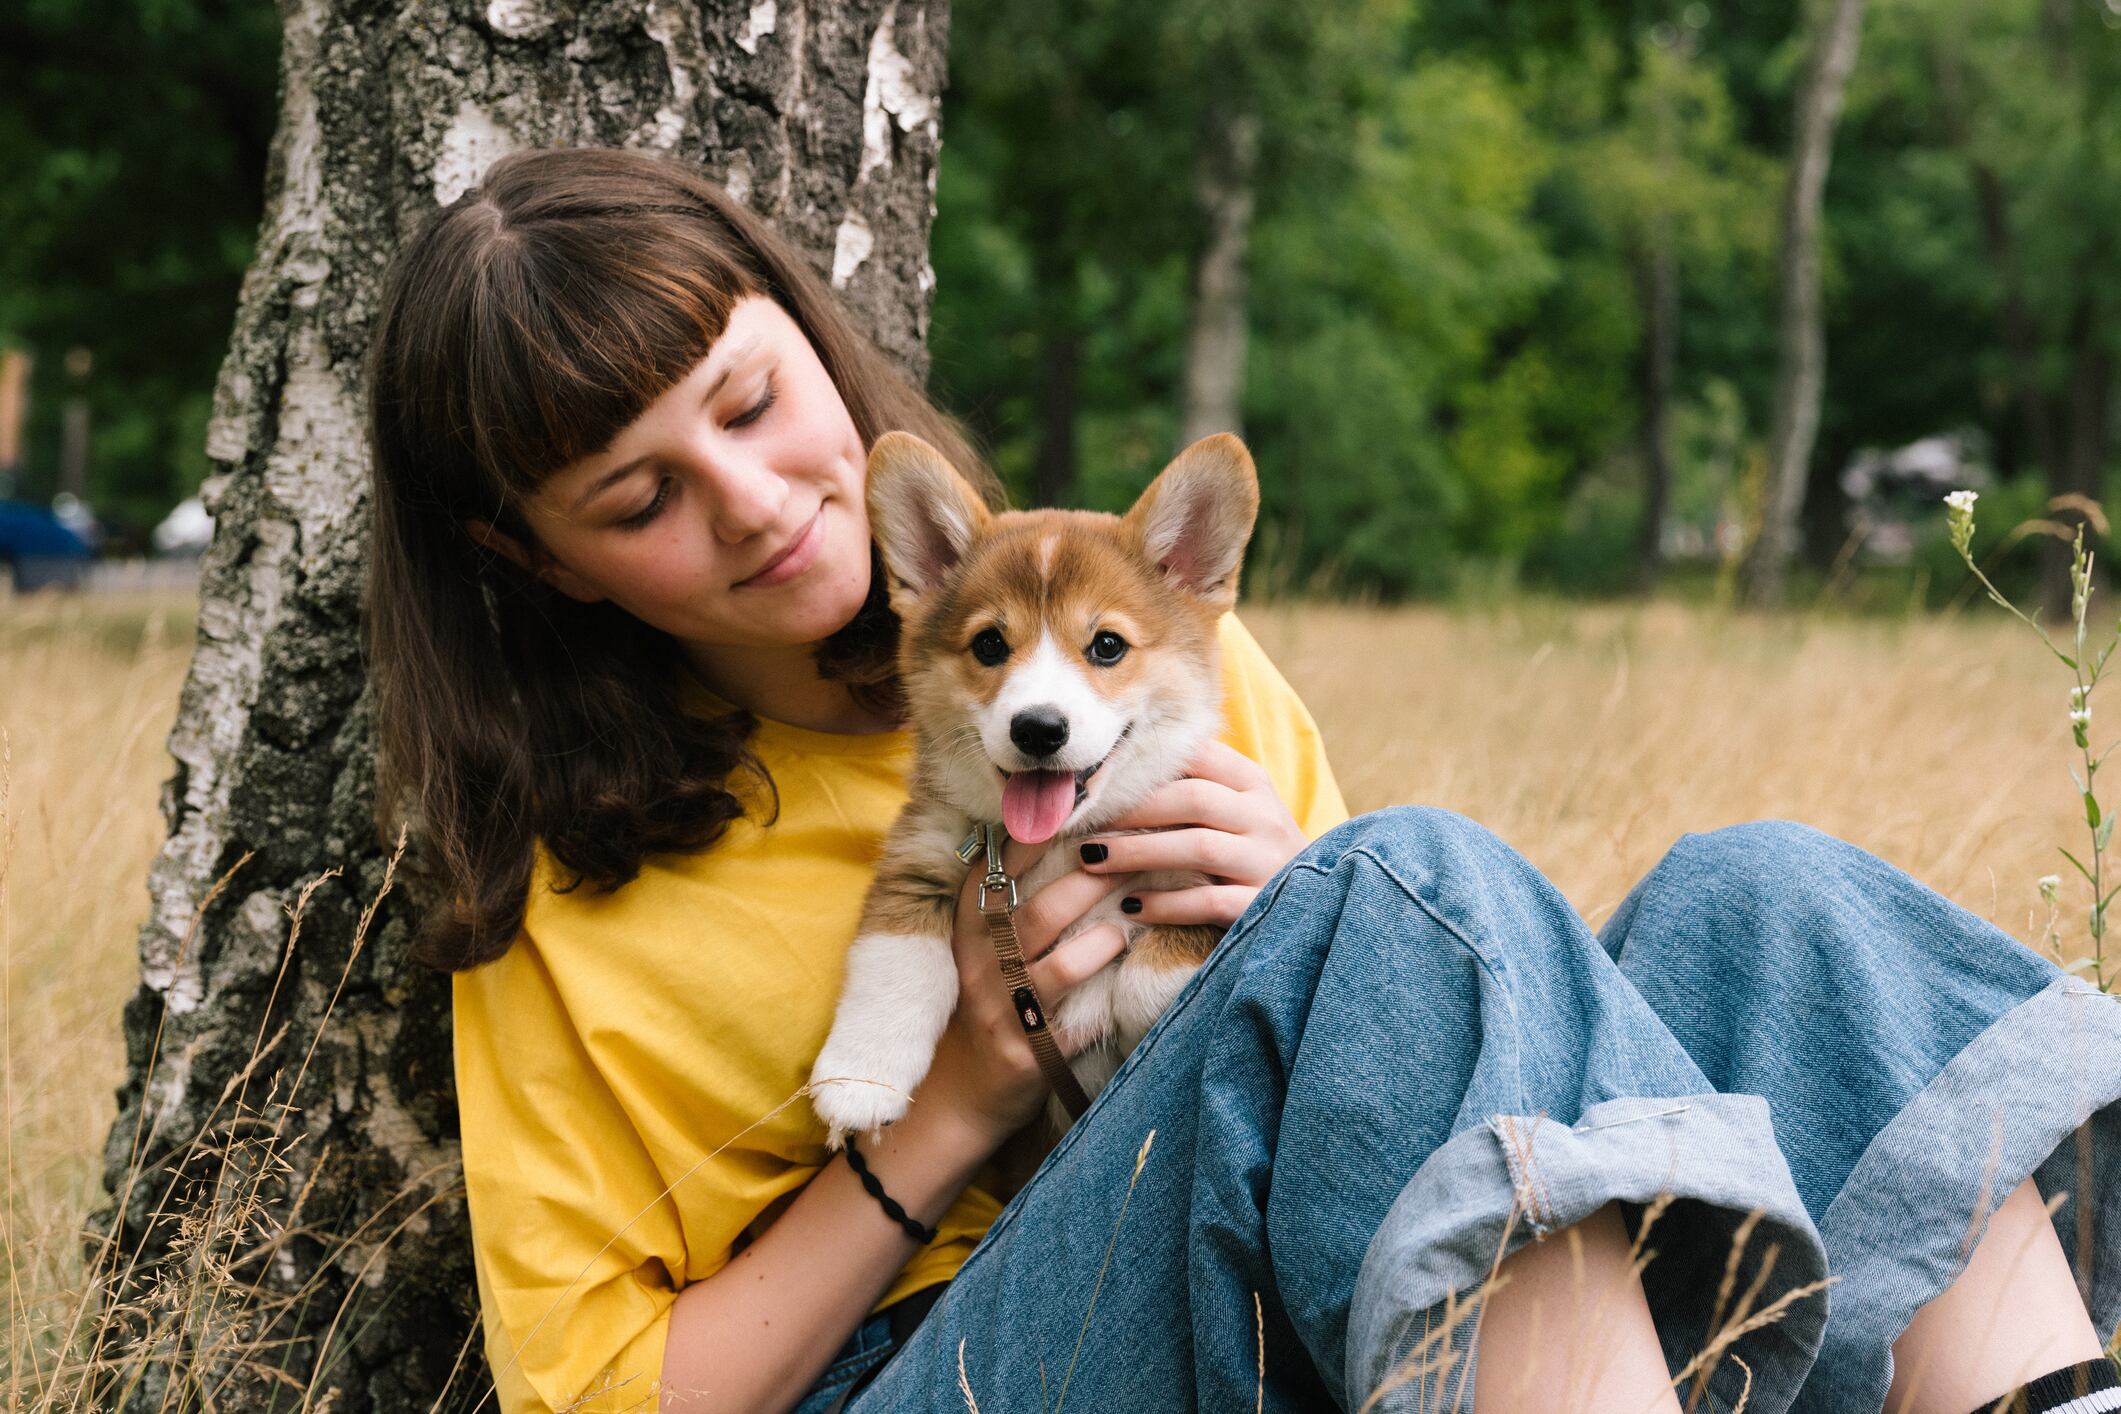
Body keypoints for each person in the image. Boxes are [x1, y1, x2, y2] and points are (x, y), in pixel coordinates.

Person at [361, 144, 2121, 1414]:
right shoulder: (566, 899)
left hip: (1279, 1283)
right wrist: (951, 1104)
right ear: (542, 563)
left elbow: (1408, 1097)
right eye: (638, 495)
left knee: (1771, 896)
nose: (748, 499)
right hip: (951, 1356)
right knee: (1402, 878)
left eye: (747, 403)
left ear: (813, 341)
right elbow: (608, 1398)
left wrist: (1296, 902)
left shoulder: (1152, 653)